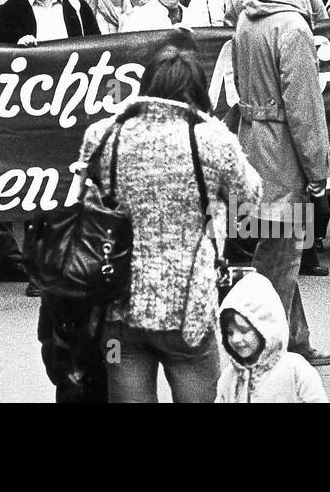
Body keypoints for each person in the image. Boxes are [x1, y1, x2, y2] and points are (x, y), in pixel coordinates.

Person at [79, 47, 261, 403]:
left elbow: (88, 201)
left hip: (118, 302)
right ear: (196, 91)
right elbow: (250, 195)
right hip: (189, 308)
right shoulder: (213, 139)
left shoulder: (104, 135)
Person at [233, 0, 330, 368]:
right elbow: (305, 107)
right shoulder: (293, 27)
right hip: (282, 149)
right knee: (281, 252)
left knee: (275, 248)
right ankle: (268, 346)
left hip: (252, 138)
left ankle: (296, 337)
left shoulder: (247, 15)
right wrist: (317, 170)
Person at [0, 0, 101, 290]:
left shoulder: (78, 9)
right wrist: (15, 55)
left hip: (73, 112)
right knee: (39, 193)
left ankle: (67, 263)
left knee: (70, 190)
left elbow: (99, 55)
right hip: (30, 115)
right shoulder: (8, 13)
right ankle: (39, 269)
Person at [216, 272, 328, 403]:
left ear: (265, 327)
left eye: (244, 330)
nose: (235, 339)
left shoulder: (295, 369)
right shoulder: (230, 376)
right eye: (229, 333)